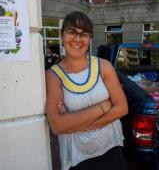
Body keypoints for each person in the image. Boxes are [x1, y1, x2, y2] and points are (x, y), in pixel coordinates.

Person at [46, 11, 128, 170]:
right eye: (71, 32)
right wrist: (103, 106)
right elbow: (58, 126)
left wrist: (73, 123)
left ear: (90, 39)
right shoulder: (53, 75)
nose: (77, 39)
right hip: (78, 156)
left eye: (83, 34)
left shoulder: (104, 66)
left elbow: (122, 108)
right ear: (62, 35)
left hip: (111, 149)